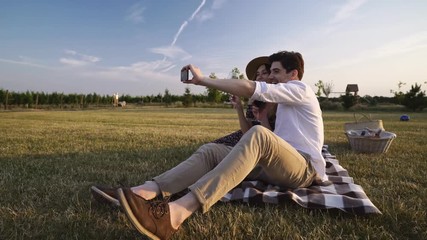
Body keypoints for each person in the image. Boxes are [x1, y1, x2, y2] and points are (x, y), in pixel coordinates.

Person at [101, 50, 326, 240]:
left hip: (304, 169)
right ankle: (143, 192)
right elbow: (268, 141)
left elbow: (251, 89)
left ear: (293, 74)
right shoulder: (284, 103)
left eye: (276, 71)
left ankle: (175, 214)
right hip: (279, 166)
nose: (271, 77)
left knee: (258, 134)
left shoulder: (301, 89)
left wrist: (203, 80)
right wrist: (263, 115)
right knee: (212, 151)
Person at [90, 56, 276, 206]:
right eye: (257, 74)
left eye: (265, 73)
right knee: (208, 150)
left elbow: (271, 143)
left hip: (266, 156)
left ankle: (163, 195)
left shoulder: (281, 101)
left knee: (209, 153)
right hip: (248, 142)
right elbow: (247, 132)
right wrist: (239, 109)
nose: (259, 77)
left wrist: (265, 117)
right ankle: (143, 191)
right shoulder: (256, 102)